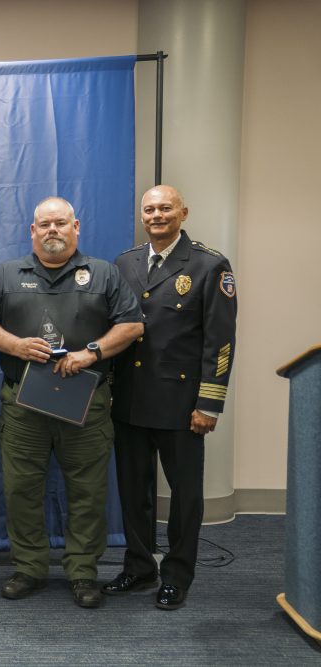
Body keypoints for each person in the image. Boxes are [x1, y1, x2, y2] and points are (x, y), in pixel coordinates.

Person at [0, 196, 143, 609]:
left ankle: (82, 571)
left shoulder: (102, 273)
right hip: (23, 404)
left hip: (86, 401)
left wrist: (92, 353)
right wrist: (15, 344)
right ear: (32, 230)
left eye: (60, 223)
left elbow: (133, 324)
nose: (52, 230)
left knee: (87, 490)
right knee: (20, 489)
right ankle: (29, 567)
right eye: (44, 224)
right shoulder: (7, 274)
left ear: (75, 226)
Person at [105, 184, 237, 611]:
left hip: (182, 405)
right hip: (128, 401)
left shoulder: (208, 264)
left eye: (165, 208)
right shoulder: (124, 263)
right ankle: (140, 566)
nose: (156, 215)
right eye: (149, 209)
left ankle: (177, 575)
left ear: (183, 212)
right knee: (132, 491)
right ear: (141, 216)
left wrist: (210, 403)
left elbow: (219, 342)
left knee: (185, 496)